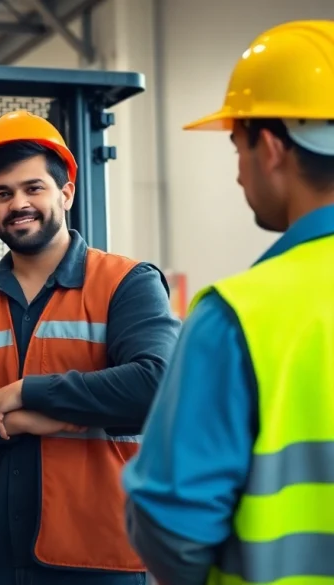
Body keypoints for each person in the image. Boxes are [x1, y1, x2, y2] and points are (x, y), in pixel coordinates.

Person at [122, 20, 334, 585]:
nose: (238, 170)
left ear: (269, 147)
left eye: (235, 144)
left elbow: (170, 524)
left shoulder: (240, 315)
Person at [0, 110, 181, 585]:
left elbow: (158, 384)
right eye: (3, 193)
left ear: (66, 193)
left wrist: (29, 391)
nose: (18, 204)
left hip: (96, 556)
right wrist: (20, 423)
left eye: (34, 188)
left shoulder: (125, 284)